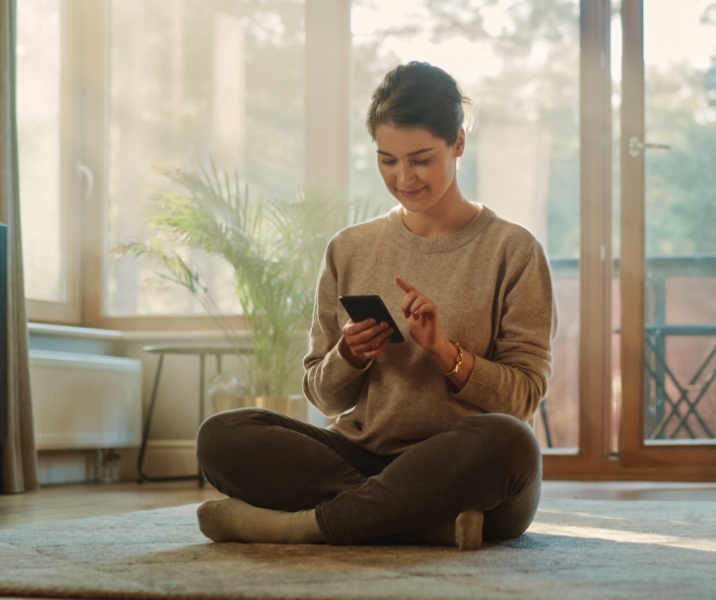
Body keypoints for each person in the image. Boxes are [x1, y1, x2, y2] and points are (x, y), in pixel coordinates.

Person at [196, 61, 557, 551]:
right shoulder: (350, 248)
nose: (403, 177)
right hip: (361, 457)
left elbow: (523, 398)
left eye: (420, 159)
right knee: (223, 435)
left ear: (458, 143)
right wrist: (348, 356)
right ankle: (419, 521)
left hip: (464, 465)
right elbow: (323, 399)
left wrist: (444, 351)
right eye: (387, 160)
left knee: (512, 444)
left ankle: (303, 526)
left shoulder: (514, 251)